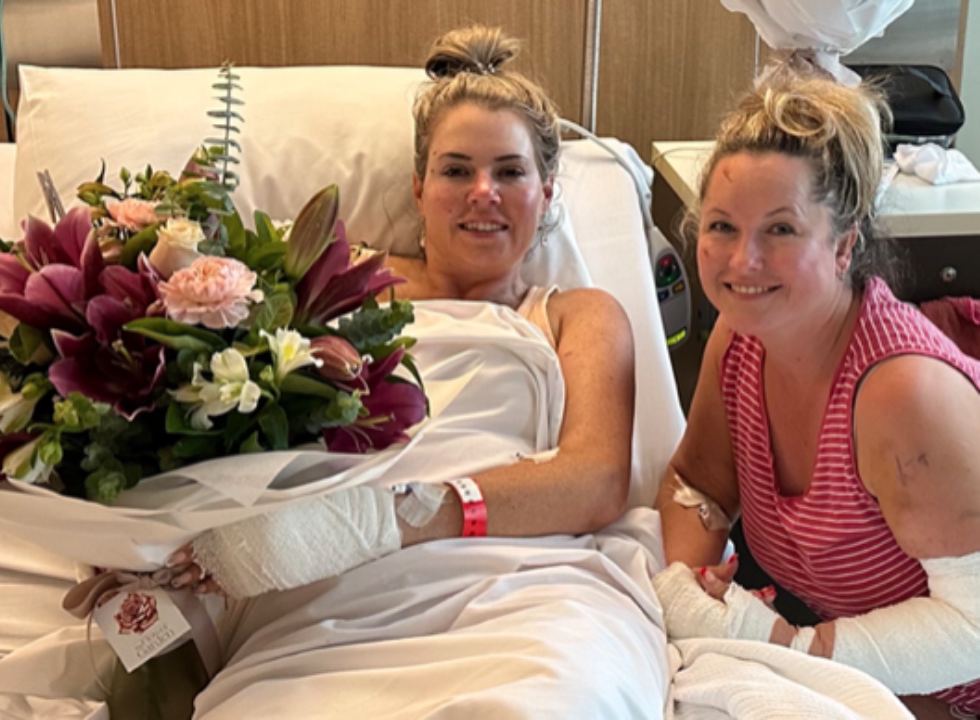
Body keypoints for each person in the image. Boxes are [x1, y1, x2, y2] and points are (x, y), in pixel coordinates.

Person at [157, 26, 669, 720]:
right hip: (330, 600)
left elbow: (595, 481)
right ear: (419, 189)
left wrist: (392, 517)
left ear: (546, 194)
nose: (483, 192)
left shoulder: (578, 315)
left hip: (523, 590)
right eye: (456, 171)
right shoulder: (333, 285)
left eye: (510, 172)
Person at [651, 64, 980, 719]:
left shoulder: (903, 392)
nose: (742, 261)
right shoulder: (739, 340)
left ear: (843, 245)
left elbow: (972, 631)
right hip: (845, 672)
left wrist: (781, 644)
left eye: (780, 229)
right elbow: (698, 486)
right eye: (722, 226)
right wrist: (687, 590)